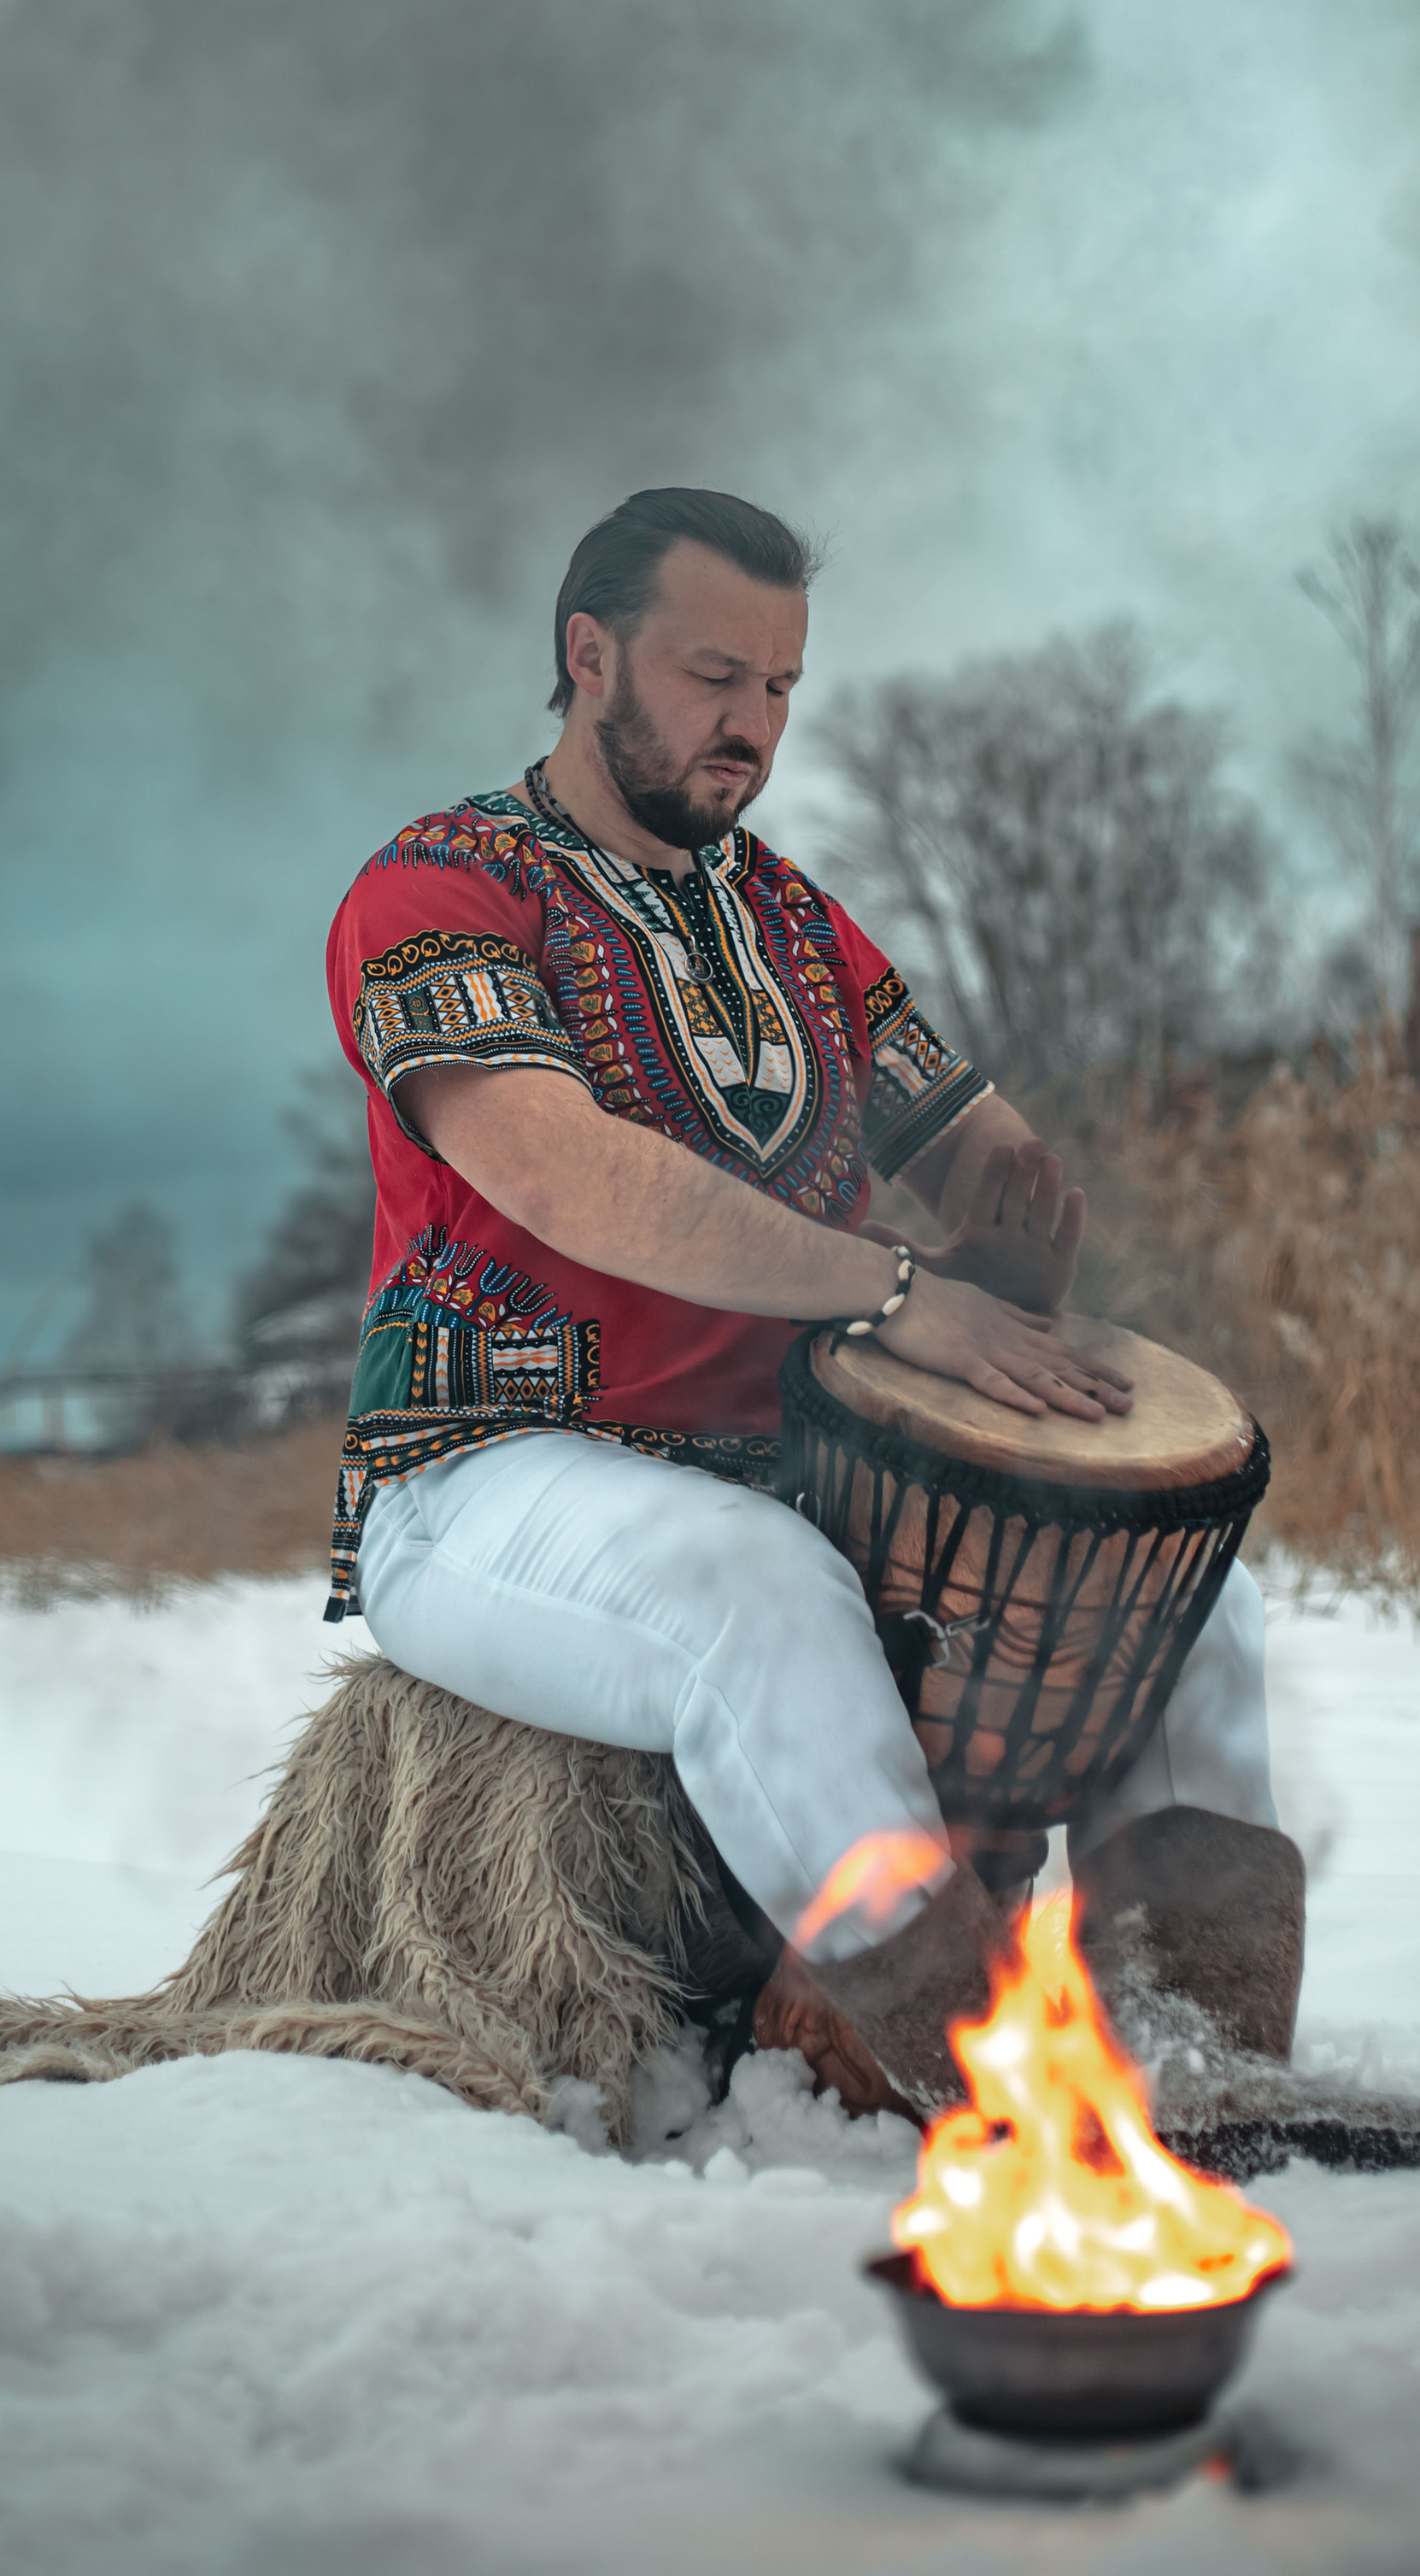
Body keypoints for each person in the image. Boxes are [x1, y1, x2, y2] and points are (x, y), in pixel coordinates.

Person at [325, 487, 1294, 2115]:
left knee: (1187, 1603)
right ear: (589, 655)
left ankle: (1201, 2074)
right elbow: (567, 1173)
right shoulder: (436, 892)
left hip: (796, 1465)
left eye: (781, 687)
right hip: (486, 1475)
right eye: (716, 677)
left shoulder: (790, 923)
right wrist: (896, 1289)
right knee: (756, 1588)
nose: (753, 726)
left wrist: (1011, 1241)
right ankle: (987, 2088)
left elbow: (975, 1144)